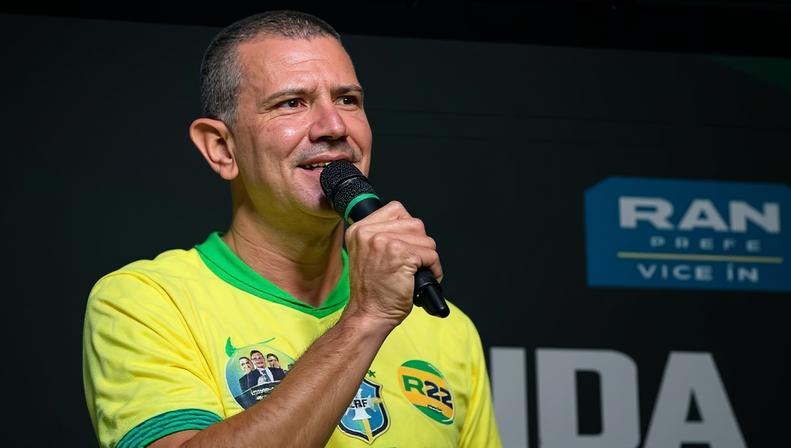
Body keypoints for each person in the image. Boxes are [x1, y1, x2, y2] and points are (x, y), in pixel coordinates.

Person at [82, 10, 501, 448]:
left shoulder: (447, 330)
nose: (334, 126)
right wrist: (365, 319)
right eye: (291, 103)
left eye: (347, 100)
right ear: (222, 148)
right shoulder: (145, 302)